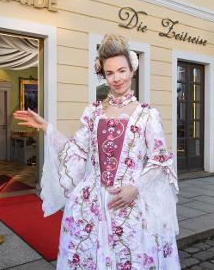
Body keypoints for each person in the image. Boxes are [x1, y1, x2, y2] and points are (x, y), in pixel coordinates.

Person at [14, 34, 180, 269]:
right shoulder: (93, 112)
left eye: (122, 71)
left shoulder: (147, 115)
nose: (117, 78)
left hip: (130, 201)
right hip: (90, 204)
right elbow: (77, 151)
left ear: (132, 70)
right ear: (103, 75)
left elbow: (160, 160)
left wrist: (136, 187)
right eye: (110, 73)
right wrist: (45, 126)